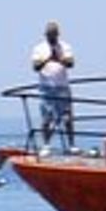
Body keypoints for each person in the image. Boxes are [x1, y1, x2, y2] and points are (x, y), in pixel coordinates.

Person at [30, 20, 76, 149]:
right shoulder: (39, 48)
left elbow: (71, 63)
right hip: (46, 87)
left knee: (67, 117)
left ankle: (71, 145)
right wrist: (48, 59)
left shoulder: (65, 47)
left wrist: (59, 58)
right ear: (46, 35)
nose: (52, 37)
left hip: (62, 86)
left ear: (58, 35)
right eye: (50, 35)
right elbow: (35, 66)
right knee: (47, 118)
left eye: (54, 34)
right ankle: (46, 144)